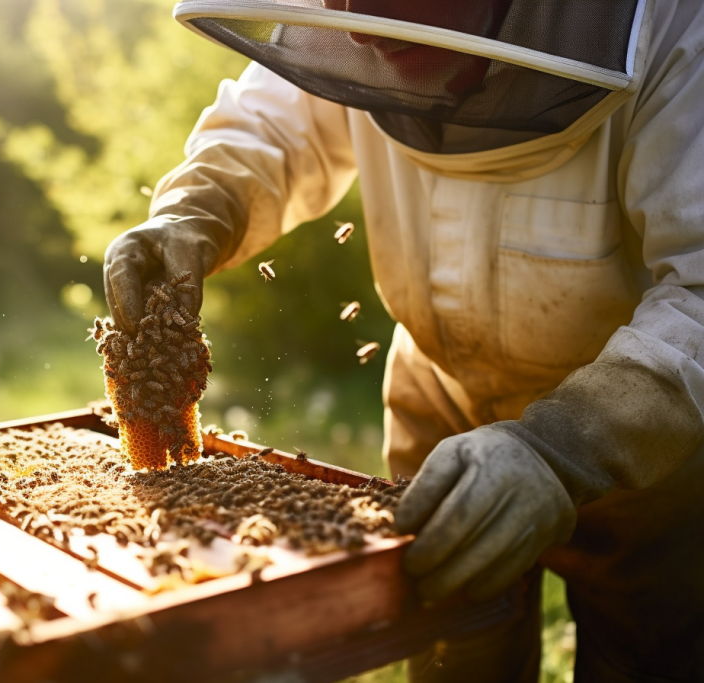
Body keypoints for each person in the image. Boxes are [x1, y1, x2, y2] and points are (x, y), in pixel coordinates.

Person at [103, 1, 704, 680]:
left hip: (643, 444)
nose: (359, 30)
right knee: (455, 662)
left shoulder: (676, 33)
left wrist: (563, 446)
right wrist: (196, 209)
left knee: (649, 657)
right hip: (438, 400)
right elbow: (273, 125)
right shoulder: (363, 26)